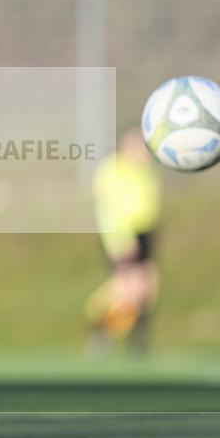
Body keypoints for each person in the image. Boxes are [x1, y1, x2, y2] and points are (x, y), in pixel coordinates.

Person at [85, 128, 161, 356]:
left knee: (147, 289)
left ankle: (137, 341)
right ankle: (100, 329)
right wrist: (120, 239)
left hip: (145, 233)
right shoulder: (114, 170)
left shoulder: (146, 171)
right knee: (126, 291)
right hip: (123, 236)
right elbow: (108, 208)